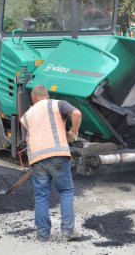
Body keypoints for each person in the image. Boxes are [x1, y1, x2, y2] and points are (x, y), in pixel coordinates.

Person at [20, 85, 82, 242]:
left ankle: (42, 235)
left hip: (36, 159)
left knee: (41, 196)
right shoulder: (57, 104)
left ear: (33, 98)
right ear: (47, 95)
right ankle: (68, 230)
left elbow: (26, 138)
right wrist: (73, 133)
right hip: (57, 155)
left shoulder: (26, 115)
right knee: (66, 191)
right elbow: (76, 113)